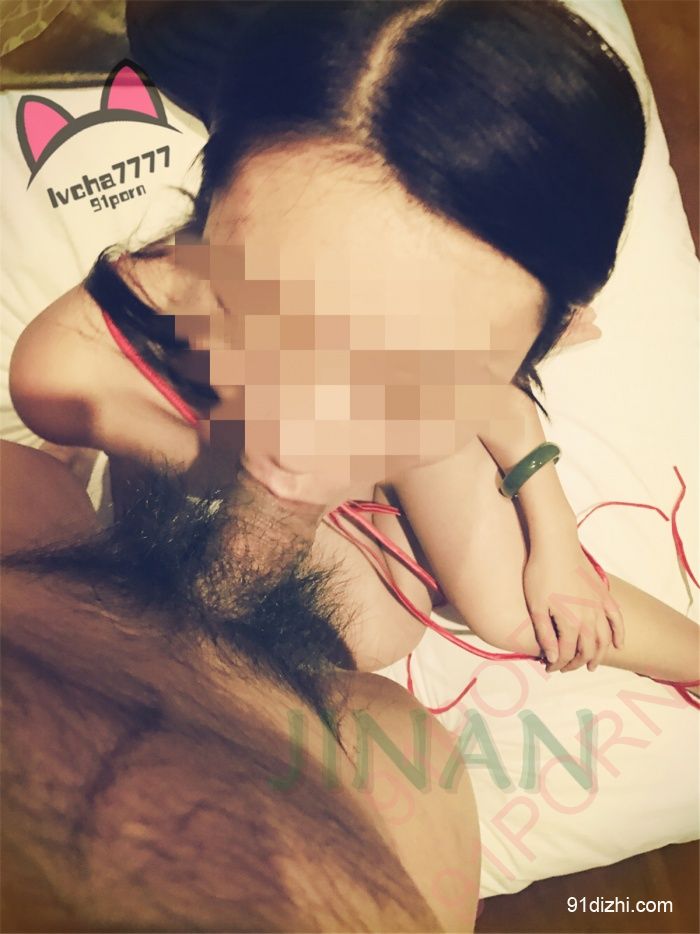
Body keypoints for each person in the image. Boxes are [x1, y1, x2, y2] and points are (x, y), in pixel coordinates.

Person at [2, 0, 696, 929]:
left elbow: (490, 407)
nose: (314, 416)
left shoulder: (450, 373)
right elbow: (223, 595)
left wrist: (555, 533)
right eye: (270, 312)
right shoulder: (75, 374)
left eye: (415, 367)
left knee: (508, 602)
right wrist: (270, 475)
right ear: (210, 209)